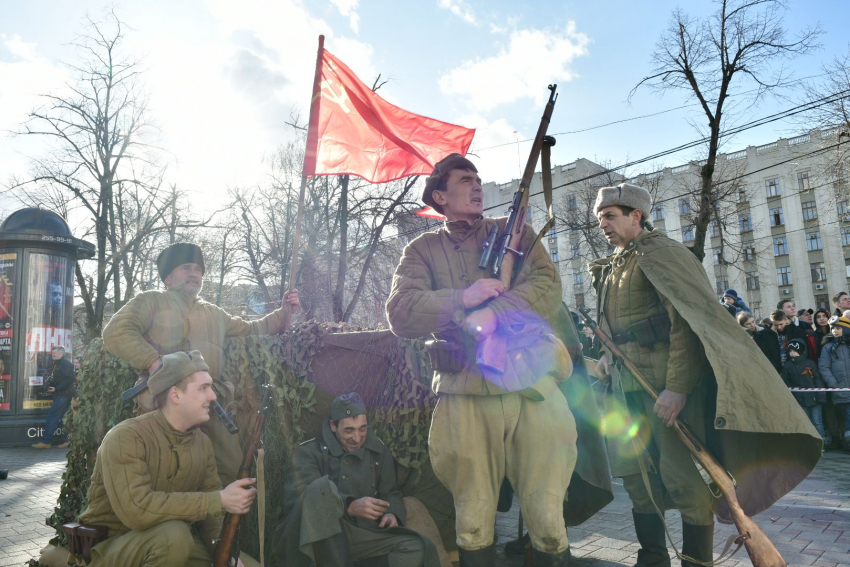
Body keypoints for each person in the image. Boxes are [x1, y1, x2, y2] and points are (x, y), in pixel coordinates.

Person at [588, 183, 822, 567]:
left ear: (636, 216)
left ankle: (696, 563)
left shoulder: (663, 254)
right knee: (636, 478)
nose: (603, 225)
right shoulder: (613, 265)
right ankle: (651, 560)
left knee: (682, 481)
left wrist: (676, 389)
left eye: (610, 216)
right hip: (624, 391)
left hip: (662, 390)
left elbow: (687, 325)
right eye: (600, 219)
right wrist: (603, 357)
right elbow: (611, 328)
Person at [386, 153, 576, 566]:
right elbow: (400, 312)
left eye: (478, 179)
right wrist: (462, 299)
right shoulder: (421, 250)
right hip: (465, 393)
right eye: (465, 179)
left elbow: (548, 284)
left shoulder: (515, 234)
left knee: (547, 517)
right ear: (440, 195)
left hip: (531, 387)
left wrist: (496, 311)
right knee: (472, 519)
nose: (476, 186)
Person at [102, 242, 299, 486]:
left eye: (198, 269)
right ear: (168, 278)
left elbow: (253, 328)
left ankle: (218, 522)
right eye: (186, 267)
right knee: (165, 475)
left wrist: (284, 312)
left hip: (210, 406)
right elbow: (116, 331)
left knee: (228, 471)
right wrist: (154, 362)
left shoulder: (215, 314)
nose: (194, 273)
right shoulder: (151, 301)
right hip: (164, 405)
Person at [78, 351, 258, 567]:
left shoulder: (202, 443)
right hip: (114, 548)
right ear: (175, 395)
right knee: (174, 537)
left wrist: (223, 551)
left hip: (172, 545)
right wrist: (218, 500)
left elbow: (211, 518)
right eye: (203, 388)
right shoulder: (126, 437)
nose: (213, 396)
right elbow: (137, 510)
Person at [274, 393, 439, 567]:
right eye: (349, 430)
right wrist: (349, 506)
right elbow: (306, 500)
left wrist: (393, 513)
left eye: (362, 428)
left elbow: (391, 492)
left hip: (361, 534)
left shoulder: (378, 451)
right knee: (320, 488)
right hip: (322, 536)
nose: (357, 438)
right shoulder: (308, 453)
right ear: (333, 426)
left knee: (417, 547)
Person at [780, 338, 828, 444]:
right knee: (805, 421)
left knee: (817, 421)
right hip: (799, 399)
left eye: (795, 350)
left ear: (802, 350)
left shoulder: (810, 364)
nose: (792, 353)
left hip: (814, 398)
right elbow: (786, 381)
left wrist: (821, 395)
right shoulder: (788, 366)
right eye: (790, 351)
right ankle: (808, 443)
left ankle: (821, 441)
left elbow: (817, 379)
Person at [32, 346, 75, 449]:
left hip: (62, 394)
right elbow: (56, 377)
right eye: (52, 353)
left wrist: (56, 388)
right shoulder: (57, 363)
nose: (52, 354)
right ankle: (68, 441)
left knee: (52, 416)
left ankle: (46, 442)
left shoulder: (66, 364)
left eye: (54, 353)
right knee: (64, 418)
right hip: (61, 394)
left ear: (61, 353)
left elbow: (70, 379)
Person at [818, 316, 850, 452]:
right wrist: (835, 384)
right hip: (841, 389)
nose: (835, 331)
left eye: (838, 328)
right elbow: (824, 367)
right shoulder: (828, 347)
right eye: (832, 328)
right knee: (847, 417)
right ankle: (847, 443)